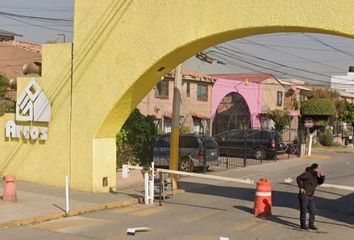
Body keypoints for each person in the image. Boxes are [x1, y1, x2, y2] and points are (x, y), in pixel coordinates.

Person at [296, 163, 325, 230]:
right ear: (314, 168)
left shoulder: (315, 176)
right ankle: (303, 225)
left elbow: (319, 182)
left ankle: (311, 224)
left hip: (310, 196)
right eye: (317, 168)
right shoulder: (308, 174)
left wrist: (322, 177)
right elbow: (298, 178)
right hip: (304, 195)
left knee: (313, 210)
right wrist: (301, 187)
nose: (319, 170)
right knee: (303, 210)